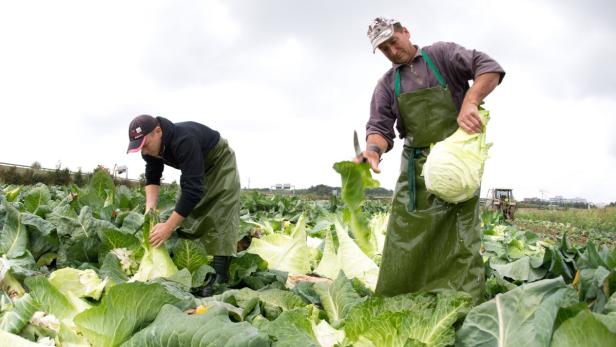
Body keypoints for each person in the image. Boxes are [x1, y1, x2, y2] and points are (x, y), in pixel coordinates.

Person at [358, 17, 505, 302]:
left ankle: (460, 302)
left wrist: (471, 101)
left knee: (461, 238)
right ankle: (398, 300)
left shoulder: (442, 56)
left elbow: (488, 68)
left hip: (454, 165)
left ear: (405, 32)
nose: (392, 50)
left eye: (393, 41)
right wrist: (372, 152)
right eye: (384, 48)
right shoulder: (387, 84)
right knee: (403, 238)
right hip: (415, 171)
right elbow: (378, 127)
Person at [126, 115, 240, 296]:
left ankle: (220, 276)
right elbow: (152, 177)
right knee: (188, 215)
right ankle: (195, 264)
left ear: (158, 131)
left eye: (146, 145)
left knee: (221, 213)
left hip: (219, 162)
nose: (144, 151)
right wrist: (150, 209)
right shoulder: (150, 149)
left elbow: (193, 191)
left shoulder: (184, 140)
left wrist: (168, 227)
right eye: (140, 147)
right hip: (196, 167)